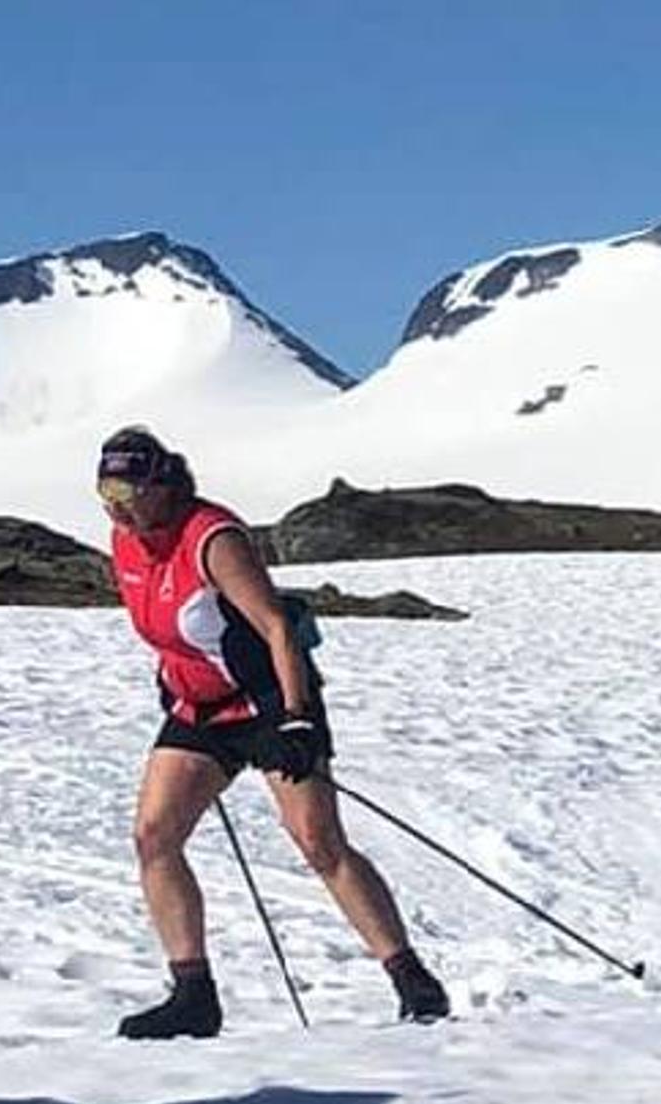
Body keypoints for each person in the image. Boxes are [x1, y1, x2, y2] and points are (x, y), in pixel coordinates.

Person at [97, 425, 451, 1037]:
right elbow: (170, 624)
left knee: (317, 842)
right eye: (105, 489)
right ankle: (193, 995)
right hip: (198, 711)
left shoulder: (213, 538)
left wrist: (295, 717)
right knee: (154, 836)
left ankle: (412, 980)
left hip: (266, 702)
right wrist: (173, 674)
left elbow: (275, 629)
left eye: (126, 489)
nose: (115, 504)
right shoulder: (126, 545)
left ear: (161, 484)